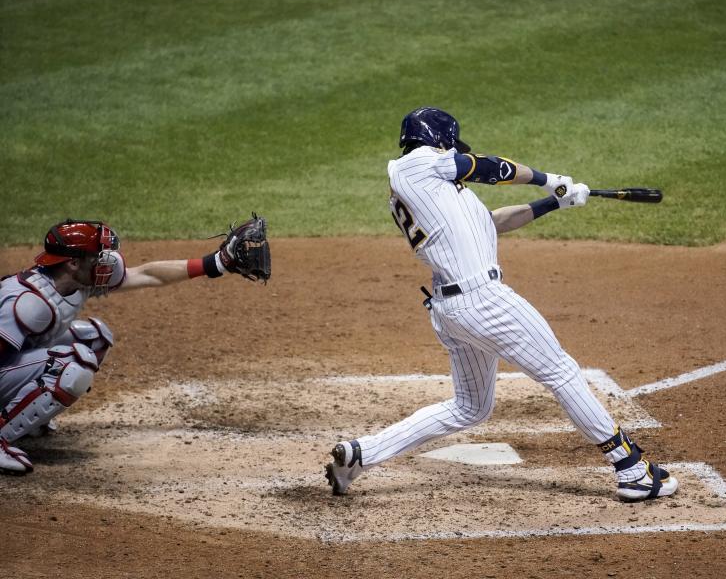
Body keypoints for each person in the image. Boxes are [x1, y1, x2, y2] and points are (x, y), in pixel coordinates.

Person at [325, 107, 678, 502]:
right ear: (439, 142)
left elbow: (492, 222)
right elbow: (489, 167)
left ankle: (361, 455)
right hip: (484, 302)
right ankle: (631, 469)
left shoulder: (432, 187)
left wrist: (554, 203)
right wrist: (548, 179)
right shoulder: (417, 165)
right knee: (561, 371)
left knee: (470, 408)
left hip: (452, 309)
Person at [0, 216, 270, 474]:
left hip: (12, 362)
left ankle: (25, 416)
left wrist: (217, 263)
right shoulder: (28, 303)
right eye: (96, 255)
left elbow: (148, 275)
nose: (103, 260)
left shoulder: (78, 281)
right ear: (72, 263)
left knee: (94, 338)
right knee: (71, 364)